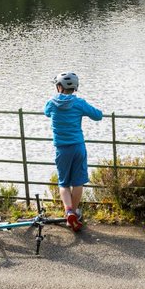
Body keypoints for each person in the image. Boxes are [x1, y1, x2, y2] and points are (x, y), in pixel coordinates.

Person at [44, 71, 102, 231]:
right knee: (78, 182)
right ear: (75, 88)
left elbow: (46, 112)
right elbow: (98, 116)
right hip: (78, 147)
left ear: (59, 87)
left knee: (63, 183)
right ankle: (74, 214)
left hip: (62, 149)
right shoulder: (79, 103)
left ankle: (68, 211)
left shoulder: (51, 103)